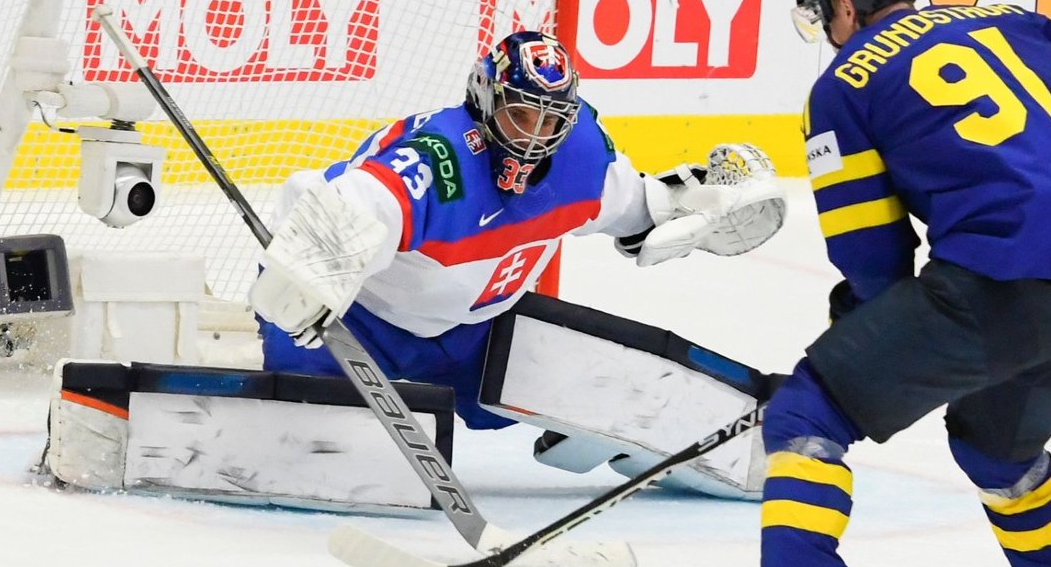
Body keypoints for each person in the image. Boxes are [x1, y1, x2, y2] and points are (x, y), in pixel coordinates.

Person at [762, 0, 1051, 567]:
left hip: (994, 283)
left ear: (846, 8)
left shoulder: (842, 85)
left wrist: (868, 323)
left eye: (822, 11)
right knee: (996, 454)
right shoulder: (1016, 20)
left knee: (806, 414)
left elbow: (873, 251)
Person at [249, 30, 786, 430]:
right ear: (485, 101)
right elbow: (327, 199)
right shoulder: (440, 162)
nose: (536, 137)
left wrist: (701, 206)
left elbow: (643, 209)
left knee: (595, 386)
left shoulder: (579, 161)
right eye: (521, 116)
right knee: (312, 433)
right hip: (365, 327)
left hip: (477, 335)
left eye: (550, 121)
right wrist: (307, 278)